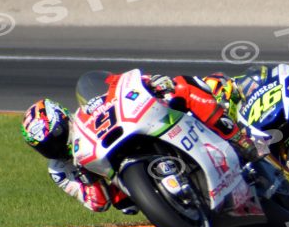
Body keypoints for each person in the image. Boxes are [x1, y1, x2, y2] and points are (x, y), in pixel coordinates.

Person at [21, 72, 257, 214]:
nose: (53, 148)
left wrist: (149, 84)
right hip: (123, 186)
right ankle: (175, 203)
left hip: (127, 135)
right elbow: (97, 204)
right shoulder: (58, 170)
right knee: (124, 204)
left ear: (63, 118)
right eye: (44, 147)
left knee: (182, 86)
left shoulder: (86, 116)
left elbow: (119, 92)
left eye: (55, 137)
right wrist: (87, 177)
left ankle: (238, 137)